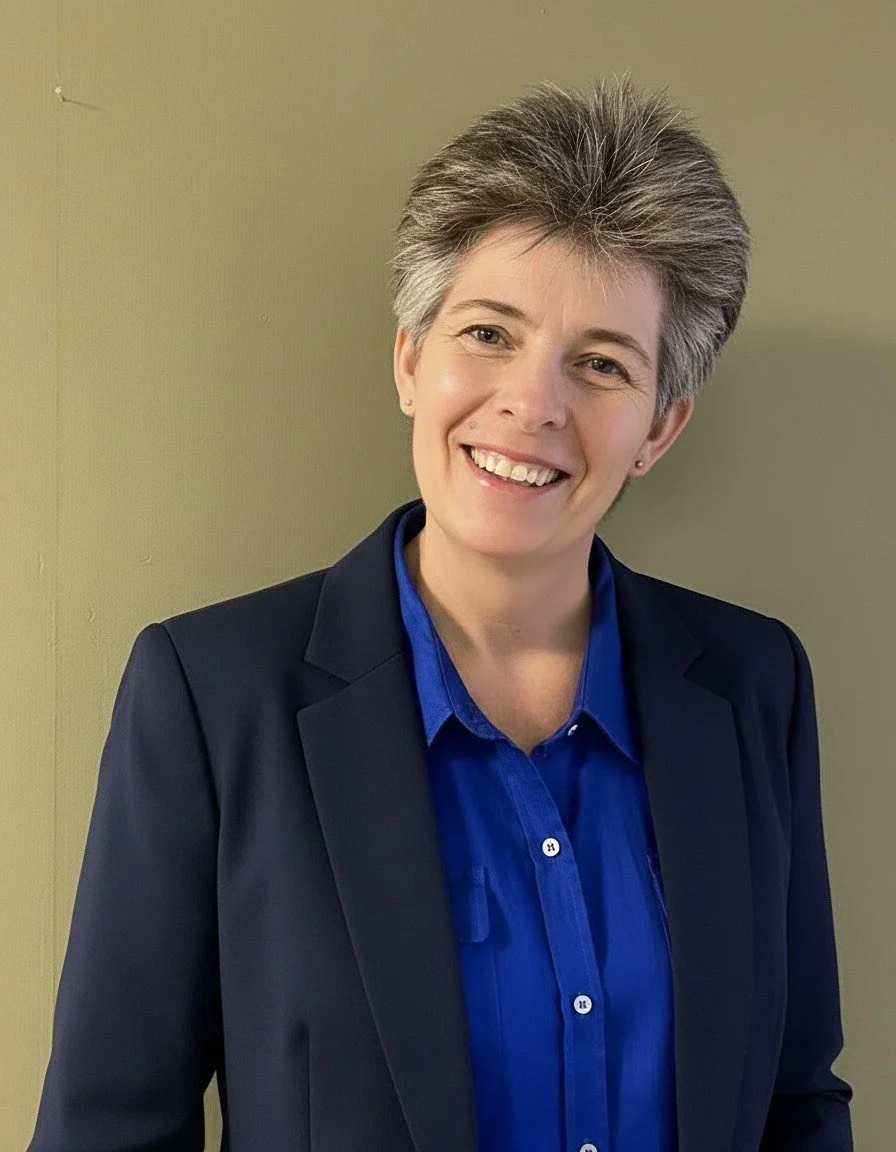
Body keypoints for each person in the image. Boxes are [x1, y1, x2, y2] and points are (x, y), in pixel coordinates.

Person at [26, 75, 853, 1152]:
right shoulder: (211, 696)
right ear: (410, 359)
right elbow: (108, 1131)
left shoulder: (754, 684)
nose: (533, 403)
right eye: (488, 333)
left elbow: (794, 1100)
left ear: (658, 427)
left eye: (601, 364)